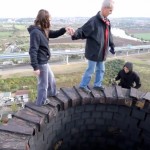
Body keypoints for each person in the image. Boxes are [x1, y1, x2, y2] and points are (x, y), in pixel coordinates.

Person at [28, 9, 74, 106]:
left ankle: (52, 93)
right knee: (43, 84)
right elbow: (33, 50)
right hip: (40, 62)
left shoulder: (43, 30)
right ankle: (41, 102)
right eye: (49, 20)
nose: (50, 22)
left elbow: (54, 33)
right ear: (44, 20)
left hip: (44, 61)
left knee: (51, 78)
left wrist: (64, 29)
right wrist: (35, 67)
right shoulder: (35, 32)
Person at [71, 0, 115, 93]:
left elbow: (109, 35)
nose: (111, 12)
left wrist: (112, 45)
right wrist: (74, 34)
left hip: (102, 52)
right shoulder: (94, 21)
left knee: (101, 70)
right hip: (93, 52)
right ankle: (83, 85)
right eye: (110, 10)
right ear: (104, 8)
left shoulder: (107, 22)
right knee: (91, 70)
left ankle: (97, 85)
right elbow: (83, 31)